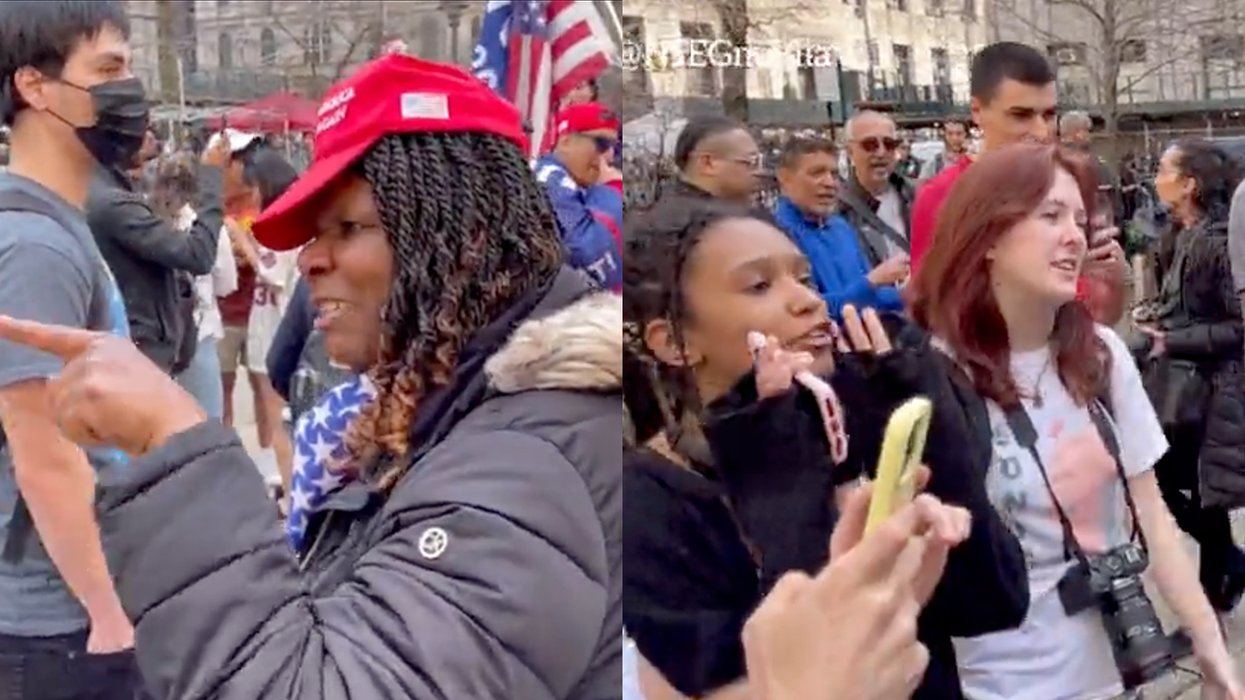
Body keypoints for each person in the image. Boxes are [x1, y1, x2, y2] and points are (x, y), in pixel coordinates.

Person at [0, 52, 622, 700]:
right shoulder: (456, 413)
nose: (308, 262)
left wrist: (177, 448)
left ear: (465, 236)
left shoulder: (528, 465)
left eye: (346, 227)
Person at [622, 199, 1027, 700]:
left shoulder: (848, 420)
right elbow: (781, 673)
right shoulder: (643, 504)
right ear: (674, 341)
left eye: (806, 279)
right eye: (760, 286)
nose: (808, 302)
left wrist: (934, 435)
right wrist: (781, 487)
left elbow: (994, 605)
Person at [910, 142, 1244, 700]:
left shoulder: (1102, 355)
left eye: (1079, 219)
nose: (1074, 235)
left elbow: (1152, 515)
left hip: (1117, 674)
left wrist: (1211, 645)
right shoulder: (934, 377)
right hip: (998, 686)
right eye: (1049, 216)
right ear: (986, 235)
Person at [0, 1, 145, 696]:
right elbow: (42, 450)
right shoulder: (35, 245)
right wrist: (109, 612)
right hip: (55, 623)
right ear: (34, 87)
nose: (129, 93)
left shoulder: (54, 225)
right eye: (108, 70)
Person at [909, 42, 1127, 326]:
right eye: (1020, 115)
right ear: (977, 112)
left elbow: (1097, 318)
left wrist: (1114, 281)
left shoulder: (1070, 188)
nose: (1040, 131)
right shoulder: (942, 196)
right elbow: (930, 313)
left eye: (1049, 115)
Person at [1140, 140, 1245, 652]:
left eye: (1163, 170)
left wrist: (1171, 338)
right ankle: (1227, 574)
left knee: (1200, 497)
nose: (1155, 178)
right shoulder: (1176, 237)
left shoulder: (1220, 242)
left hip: (1210, 391)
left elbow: (1237, 326)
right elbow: (1179, 308)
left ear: (1189, 185)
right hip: (1177, 387)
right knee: (1176, 490)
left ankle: (1211, 605)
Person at [88, 124, 226, 375]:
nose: (151, 137)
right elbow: (198, 254)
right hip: (141, 349)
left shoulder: (111, 193)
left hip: (148, 342)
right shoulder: (112, 203)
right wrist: (213, 177)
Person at [771, 137, 905, 317]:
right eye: (817, 173)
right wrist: (872, 281)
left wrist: (913, 295)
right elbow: (808, 310)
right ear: (785, 178)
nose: (829, 183)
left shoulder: (840, 227)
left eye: (834, 174)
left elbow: (872, 297)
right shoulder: (775, 236)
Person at [153, 153, 239, 419]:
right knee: (205, 423)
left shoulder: (145, 222)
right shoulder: (208, 228)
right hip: (199, 333)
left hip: (155, 338)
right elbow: (226, 283)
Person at [534, 102, 623, 289]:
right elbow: (588, 255)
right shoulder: (549, 180)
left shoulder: (576, 184)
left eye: (615, 147)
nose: (608, 156)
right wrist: (613, 189)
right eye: (601, 144)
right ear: (566, 142)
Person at [838, 111, 915, 264]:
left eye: (889, 144)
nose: (881, 153)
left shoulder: (918, 194)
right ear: (850, 152)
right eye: (870, 145)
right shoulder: (837, 211)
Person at [665, 115, 762, 206]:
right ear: (708, 163)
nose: (759, 173)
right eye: (752, 162)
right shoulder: (718, 222)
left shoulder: (665, 209)